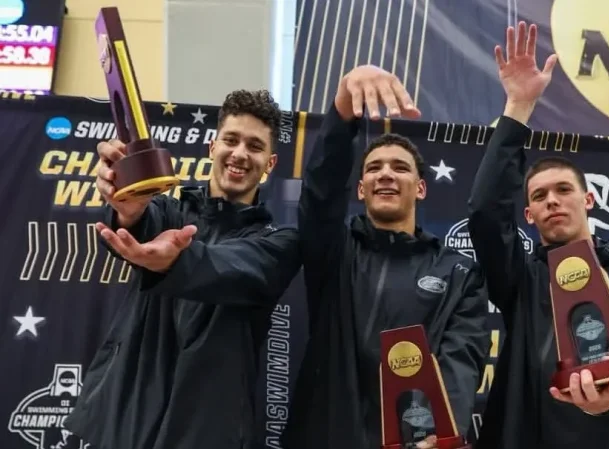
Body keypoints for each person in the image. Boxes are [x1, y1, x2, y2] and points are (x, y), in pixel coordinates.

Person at [467, 22, 609, 449]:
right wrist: (518, 109)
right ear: (528, 214)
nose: (552, 201)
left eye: (564, 190)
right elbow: (485, 211)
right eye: (539, 196)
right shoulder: (520, 279)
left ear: (589, 199)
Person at [63, 90, 302, 449]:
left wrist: (175, 261)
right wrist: (128, 209)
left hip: (209, 432)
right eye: (231, 140)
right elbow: (138, 222)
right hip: (126, 425)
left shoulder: (279, 242)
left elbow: (233, 268)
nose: (239, 153)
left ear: (270, 163)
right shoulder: (167, 211)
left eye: (254, 146)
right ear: (212, 147)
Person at [280, 65, 491, 449]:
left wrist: (442, 433)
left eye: (400, 168)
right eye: (374, 168)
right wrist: (344, 105)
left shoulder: (458, 272)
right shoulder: (334, 249)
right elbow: (321, 192)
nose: (386, 175)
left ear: (421, 188)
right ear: (361, 189)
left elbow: (461, 361)